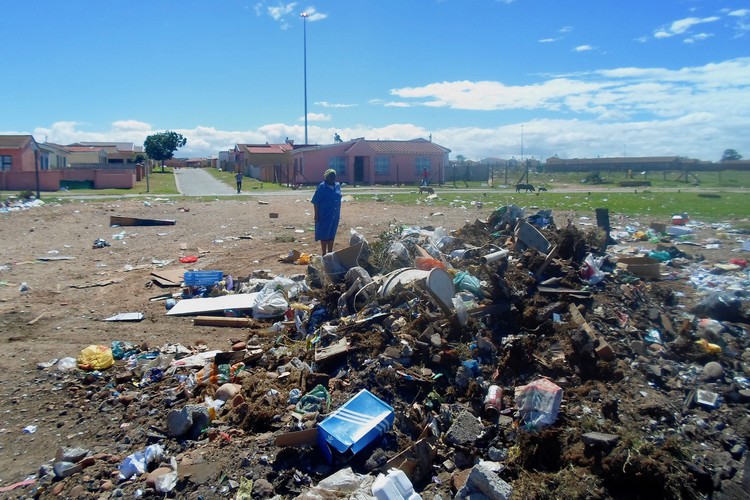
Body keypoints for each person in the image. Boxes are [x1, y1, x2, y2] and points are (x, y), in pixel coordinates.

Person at [311, 168, 342, 254]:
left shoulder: (337, 186)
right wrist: (316, 215)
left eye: (333, 176)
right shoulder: (322, 187)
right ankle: (324, 253)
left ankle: (330, 252)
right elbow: (315, 202)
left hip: (334, 214)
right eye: (330, 176)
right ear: (326, 177)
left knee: (332, 232)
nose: (332, 178)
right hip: (324, 214)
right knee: (324, 233)